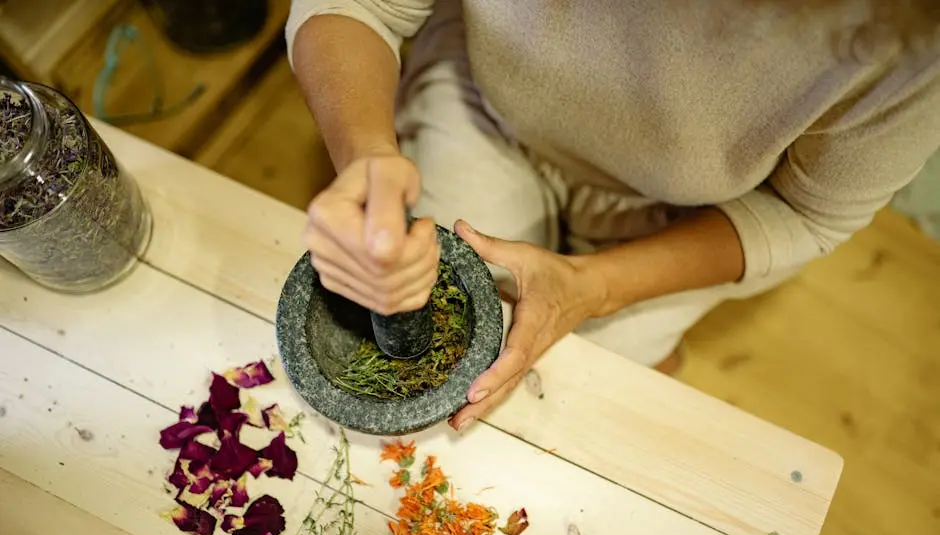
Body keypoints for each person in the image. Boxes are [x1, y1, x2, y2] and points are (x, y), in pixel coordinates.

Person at [285, 0, 940, 431]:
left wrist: (595, 287)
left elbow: (806, 212)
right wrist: (366, 155)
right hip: (491, 107)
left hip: (684, 212)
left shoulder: (917, 43)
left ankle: (649, 344)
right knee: (464, 349)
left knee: (567, 397)